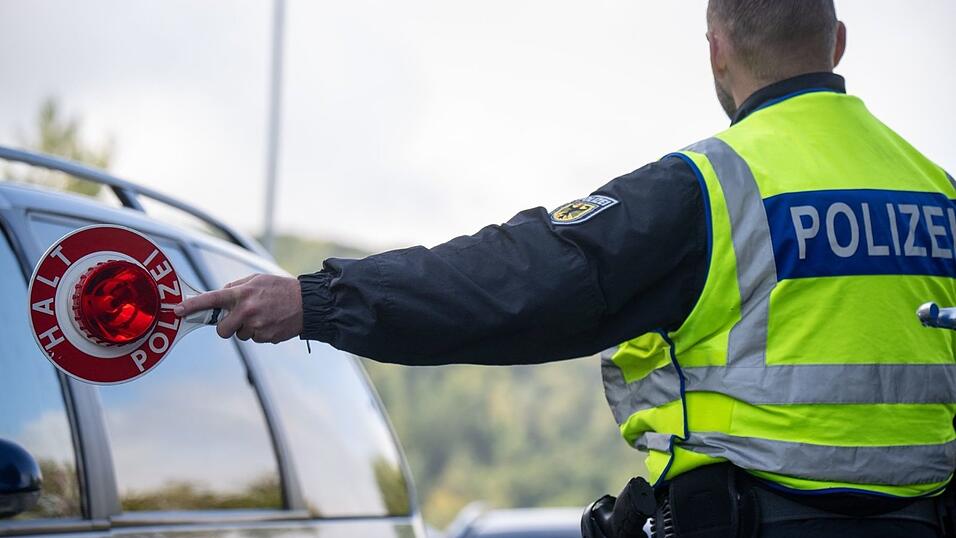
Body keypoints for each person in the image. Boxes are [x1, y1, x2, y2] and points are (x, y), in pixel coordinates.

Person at [177, 1, 956, 536]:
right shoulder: (938, 193)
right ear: (838, 42)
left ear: (716, 50)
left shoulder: (709, 188)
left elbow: (513, 282)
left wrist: (318, 301)